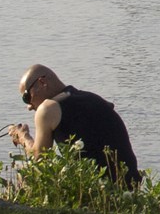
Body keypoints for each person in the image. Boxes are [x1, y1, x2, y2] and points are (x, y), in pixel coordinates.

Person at [9, 64, 142, 187]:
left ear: (42, 82)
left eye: (26, 97)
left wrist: (23, 136)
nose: (29, 106)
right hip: (131, 186)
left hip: (99, 190)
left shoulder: (48, 109)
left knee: (26, 174)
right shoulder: (93, 98)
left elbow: (39, 159)